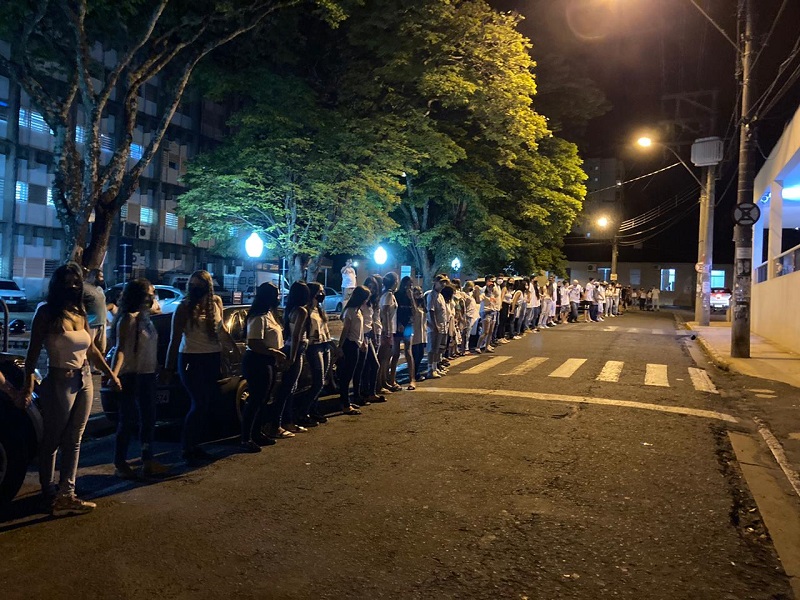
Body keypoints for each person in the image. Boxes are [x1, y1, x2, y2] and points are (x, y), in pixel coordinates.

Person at [22, 262, 121, 515]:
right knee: (52, 439)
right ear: (57, 285)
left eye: (76, 281)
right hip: (59, 381)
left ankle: (67, 493)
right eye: (67, 281)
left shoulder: (79, 310)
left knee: (75, 439)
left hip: (85, 378)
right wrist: (28, 384)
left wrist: (110, 374)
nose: (73, 286)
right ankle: (48, 491)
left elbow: (92, 349)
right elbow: (32, 353)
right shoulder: (46, 313)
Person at [165, 270, 239, 465]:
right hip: (191, 358)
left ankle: (196, 445)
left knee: (206, 403)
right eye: (192, 285)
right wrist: (168, 367)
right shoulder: (183, 307)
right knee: (198, 403)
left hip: (211, 357)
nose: (195, 289)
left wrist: (231, 349)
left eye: (200, 285)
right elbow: (174, 339)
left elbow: (221, 329)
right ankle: (187, 447)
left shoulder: (215, 302)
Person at [110, 278, 169, 478]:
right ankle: (120, 462)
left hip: (148, 375)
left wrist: (158, 366)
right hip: (131, 376)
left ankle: (147, 459)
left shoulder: (145, 317)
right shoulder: (129, 319)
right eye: (150, 292)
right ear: (140, 296)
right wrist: (114, 375)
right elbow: (120, 350)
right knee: (127, 421)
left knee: (148, 419)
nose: (153, 295)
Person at [240, 282, 287, 452]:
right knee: (256, 399)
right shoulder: (258, 316)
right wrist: (273, 352)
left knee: (264, 398)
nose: (278, 297)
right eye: (276, 294)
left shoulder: (270, 314)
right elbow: (254, 342)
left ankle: (257, 433)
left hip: (267, 360)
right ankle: (246, 438)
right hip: (257, 361)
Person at [269, 281, 310, 437]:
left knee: (288, 387)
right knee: (288, 388)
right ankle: (279, 423)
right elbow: (296, 335)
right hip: (295, 349)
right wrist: (292, 357)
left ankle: (285, 421)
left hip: (288, 347)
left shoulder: (290, 310)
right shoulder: (301, 311)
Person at [296, 282, 334, 426]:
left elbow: (325, 329)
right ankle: (303, 412)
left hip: (325, 345)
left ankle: (313, 409)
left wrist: (332, 345)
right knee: (317, 381)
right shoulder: (306, 311)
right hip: (313, 346)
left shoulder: (319, 309)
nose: (322, 294)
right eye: (319, 291)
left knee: (322, 380)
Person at [338, 286, 370, 415]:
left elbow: (359, 330)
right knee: (347, 375)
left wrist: (362, 342)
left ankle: (348, 401)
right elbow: (346, 330)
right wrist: (340, 347)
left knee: (353, 373)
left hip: (357, 344)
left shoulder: (358, 310)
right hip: (350, 344)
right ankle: (345, 404)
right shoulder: (350, 311)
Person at [378, 272, 401, 393]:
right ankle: (381, 383)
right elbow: (385, 312)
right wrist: (387, 329)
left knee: (386, 357)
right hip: (387, 330)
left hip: (389, 329)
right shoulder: (388, 295)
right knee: (384, 358)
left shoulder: (387, 294)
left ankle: (384, 381)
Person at [395, 276, 417, 390]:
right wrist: (398, 323)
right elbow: (394, 311)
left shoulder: (411, 296)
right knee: (396, 352)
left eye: (411, 285)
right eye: (407, 284)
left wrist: (411, 298)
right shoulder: (397, 295)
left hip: (408, 325)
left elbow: (415, 312)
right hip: (398, 325)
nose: (409, 287)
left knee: (408, 351)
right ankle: (391, 379)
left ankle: (412, 379)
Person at [426, 275, 448, 378]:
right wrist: (434, 325)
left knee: (437, 349)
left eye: (445, 282)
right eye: (441, 282)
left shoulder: (440, 296)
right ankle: (430, 369)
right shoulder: (432, 295)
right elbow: (431, 311)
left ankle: (435, 367)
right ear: (435, 282)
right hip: (435, 326)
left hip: (442, 325)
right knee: (432, 348)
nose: (443, 284)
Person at [83, 268, 107, 360]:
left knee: (101, 348)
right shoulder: (84, 288)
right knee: (89, 347)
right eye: (100, 277)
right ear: (93, 277)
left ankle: (96, 368)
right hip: (91, 324)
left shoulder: (100, 289)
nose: (102, 279)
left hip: (102, 322)